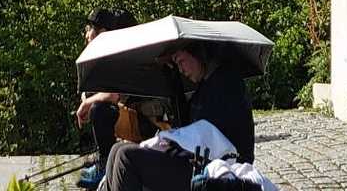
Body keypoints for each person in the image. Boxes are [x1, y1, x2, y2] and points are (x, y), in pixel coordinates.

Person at [98, 43, 255, 191]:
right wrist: (170, 72)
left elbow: (207, 134)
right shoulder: (204, 87)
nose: (181, 69)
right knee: (117, 149)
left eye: (181, 61)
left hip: (220, 169)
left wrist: (170, 143)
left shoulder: (226, 83)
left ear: (198, 54)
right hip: (200, 159)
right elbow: (186, 124)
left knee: (126, 156)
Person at [75, 9, 142, 188]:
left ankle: (105, 166)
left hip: (144, 119)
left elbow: (114, 94)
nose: (86, 35)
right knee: (97, 105)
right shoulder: (108, 54)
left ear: (102, 32)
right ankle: (103, 159)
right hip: (129, 115)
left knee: (99, 110)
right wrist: (88, 96)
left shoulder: (125, 53)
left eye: (89, 29)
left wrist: (88, 102)